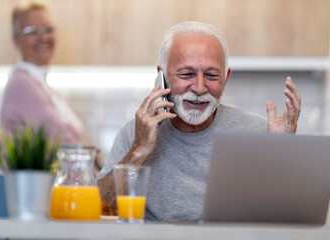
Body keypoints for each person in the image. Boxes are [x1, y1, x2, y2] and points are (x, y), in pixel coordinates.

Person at [97, 21, 301, 222]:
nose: (200, 88)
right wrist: (139, 149)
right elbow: (100, 209)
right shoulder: (135, 133)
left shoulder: (261, 133)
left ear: (226, 77)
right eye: (187, 74)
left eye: (212, 75)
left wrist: (282, 153)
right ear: (162, 76)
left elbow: (291, 222)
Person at [0, 1, 84, 144]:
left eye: (48, 29)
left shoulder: (40, 84)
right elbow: (62, 142)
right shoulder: (22, 84)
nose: (43, 38)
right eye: (32, 31)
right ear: (16, 41)